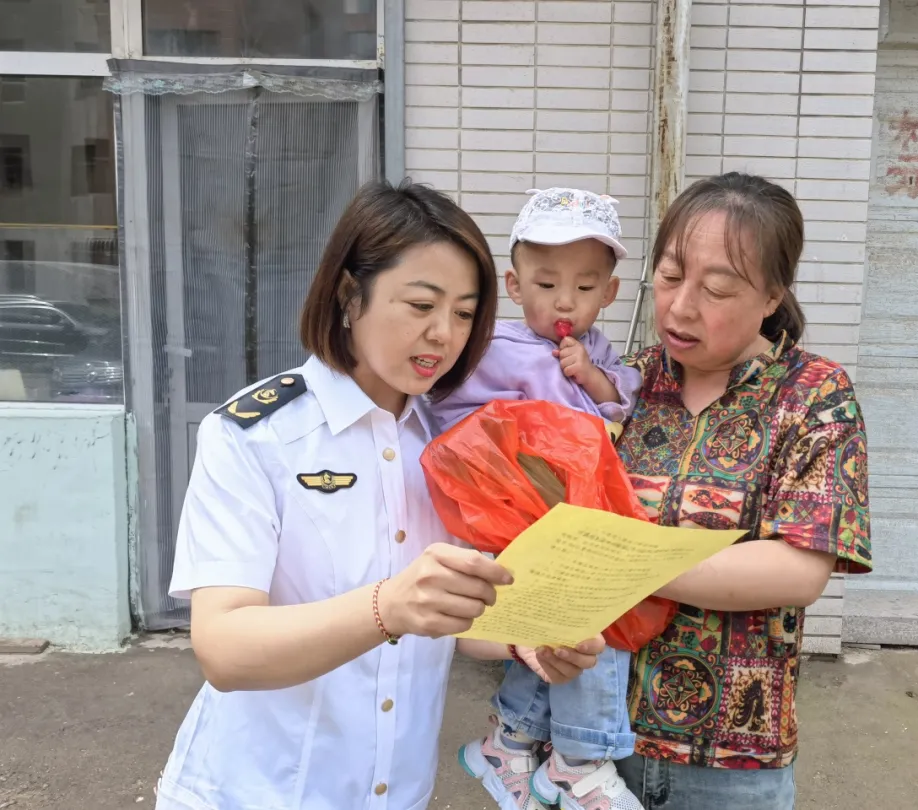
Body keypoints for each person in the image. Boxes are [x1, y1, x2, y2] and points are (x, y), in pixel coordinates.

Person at [153, 180, 604, 810]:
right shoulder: (257, 435)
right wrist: (387, 607)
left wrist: (524, 640)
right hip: (253, 792)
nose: (444, 334)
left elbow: (451, 617)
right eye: (421, 305)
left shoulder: (456, 444)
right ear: (349, 294)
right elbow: (224, 650)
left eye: (465, 313)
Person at [614, 173, 873, 810]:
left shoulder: (814, 395)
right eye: (670, 276)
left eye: (718, 289)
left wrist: (622, 560)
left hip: (732, 761)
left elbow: (797, 569)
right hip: (592, 737)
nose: (680, 307)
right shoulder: (625, 384)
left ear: (771, 296)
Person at [429, 187, 645, 810]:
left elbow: (620, 401)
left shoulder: (596, 348)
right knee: (585, 614)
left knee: (555, 628)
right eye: (547, 284)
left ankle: (513, 737)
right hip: (517, 508)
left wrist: (590, 375)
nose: (565, 301)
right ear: (515, 286)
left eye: (584, 286)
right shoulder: (493, 348)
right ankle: (580, 757)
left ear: (609, 292)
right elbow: (452, 417)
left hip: (574, 504)